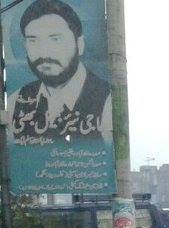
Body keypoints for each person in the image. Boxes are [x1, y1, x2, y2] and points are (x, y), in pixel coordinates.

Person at [10, 0, 112, 143]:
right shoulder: (16, 101)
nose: (44, 53)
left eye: (55, 39)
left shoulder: (107, 101)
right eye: (33, 41)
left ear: (79, 44)